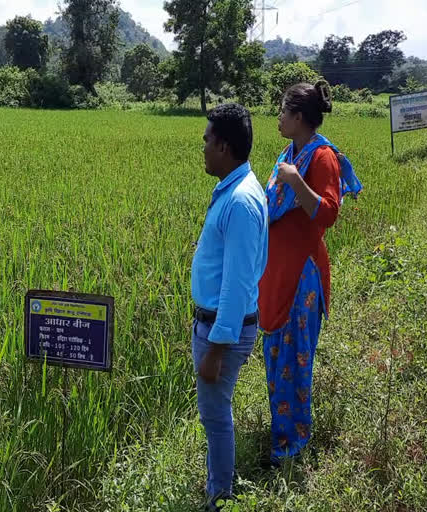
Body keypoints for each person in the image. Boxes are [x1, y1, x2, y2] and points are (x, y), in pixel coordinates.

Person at [259, 81, 363, 467]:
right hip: (276, 271)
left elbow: (329, 213)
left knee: (296, 357)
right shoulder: (288, 153)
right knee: (275, 354)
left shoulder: (321, 158)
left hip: (303, 272)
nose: (279, 118)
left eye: (284, 111)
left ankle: (293, 443)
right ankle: (280, 431)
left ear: (299, 117)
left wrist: (295, 180)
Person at [191, 103, 269, 511]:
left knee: (217, 418)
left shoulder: (239, 201)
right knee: (215, 414)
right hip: (217, 325)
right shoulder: (238, 188)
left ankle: (219, 498)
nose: (202, 148)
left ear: (223, 146)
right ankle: (216, 489)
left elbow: (238, 286)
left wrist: (216, 350)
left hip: (222, 331)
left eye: (206, 140)